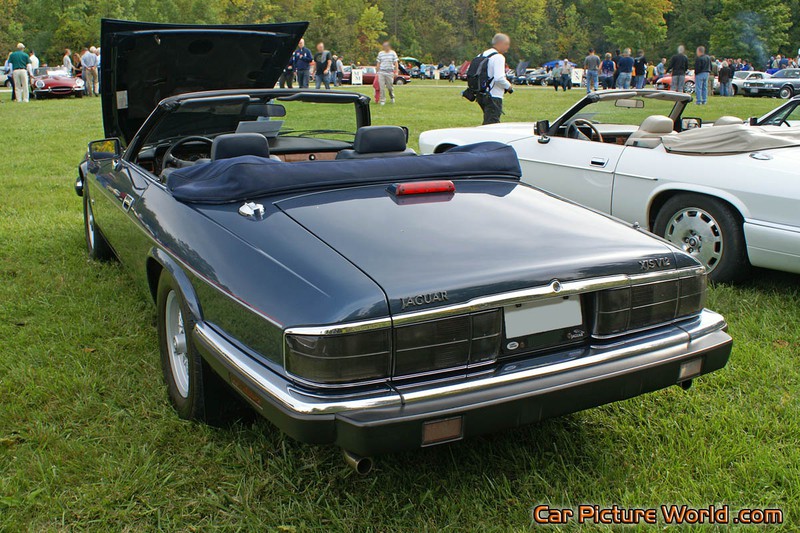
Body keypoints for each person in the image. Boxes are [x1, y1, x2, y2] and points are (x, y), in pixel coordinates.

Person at [477, 33, 512, 125]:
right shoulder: (498, 57)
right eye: (506, 44)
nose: (508, 48)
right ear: (500, 43)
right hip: (494, 95)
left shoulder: (482, 55)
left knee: (487, 121)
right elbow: (499, 78)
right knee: (492, 124)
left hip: (481, 93)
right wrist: (509, 86)